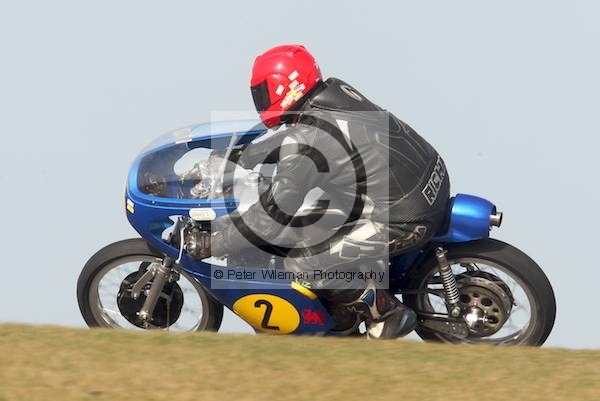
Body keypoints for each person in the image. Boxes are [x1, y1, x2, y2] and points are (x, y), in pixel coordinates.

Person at [188, 44, 450, 339]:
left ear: (284, 87)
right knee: (310, 221)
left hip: (403, 218)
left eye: (263, 91)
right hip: (427, 182)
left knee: (305, 264)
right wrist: (239, 157)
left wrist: (216, 243)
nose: (260, 100)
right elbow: (294, 141)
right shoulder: (333, 95)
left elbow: (273, 215)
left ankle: (388, 313)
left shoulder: (308, 137)